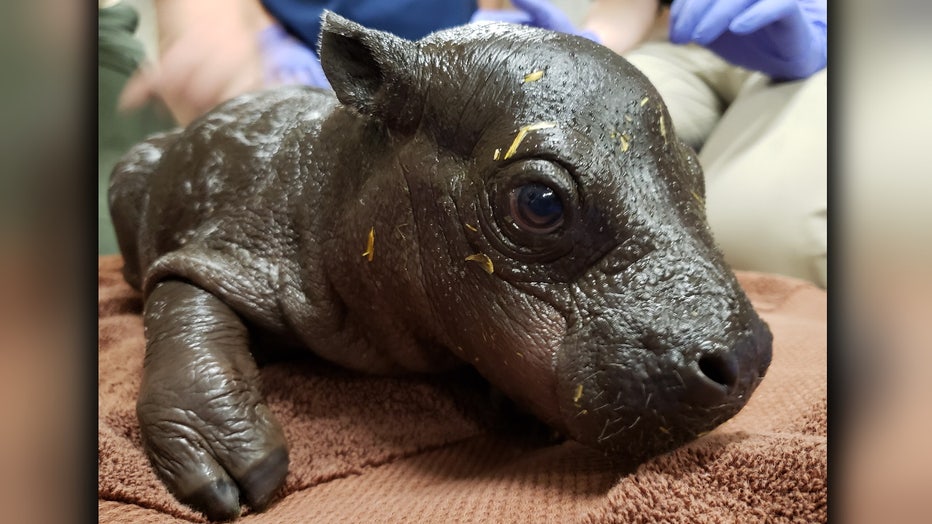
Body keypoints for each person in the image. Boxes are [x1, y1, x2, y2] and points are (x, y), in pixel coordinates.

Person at [117, 0, 827, 287]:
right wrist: (214, 45)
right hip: (348, 96)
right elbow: (204, 34)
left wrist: (584, 45)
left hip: (511, 61)